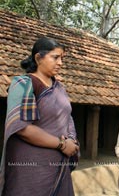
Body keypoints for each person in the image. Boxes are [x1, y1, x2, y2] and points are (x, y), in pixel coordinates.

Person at [0, 37, 79, 195]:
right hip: (31, 169)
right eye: (55, 57)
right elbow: (22, 127)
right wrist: (62, 145)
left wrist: (72, 141)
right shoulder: (23, 84)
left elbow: (68, 117)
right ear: (38, 58)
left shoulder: (59, 88)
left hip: (59, 168)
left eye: (62, 58)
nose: (60, 63)